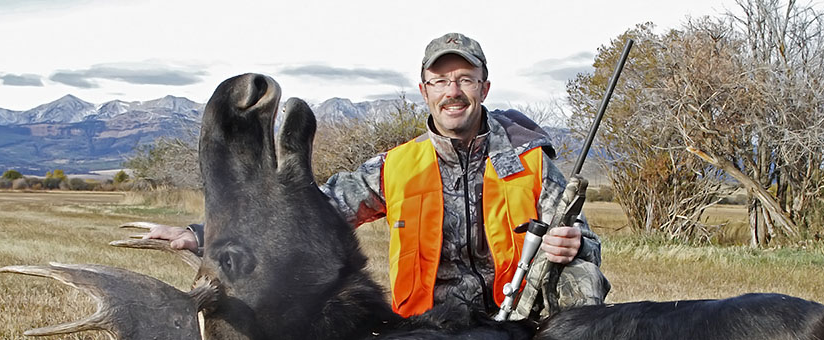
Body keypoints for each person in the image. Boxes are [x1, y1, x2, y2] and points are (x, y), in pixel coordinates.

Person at [147, 32, 610, 318]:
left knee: (582, 280)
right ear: (425, 91)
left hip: (520, 320)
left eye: (465, 79)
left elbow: (586, 241)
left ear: (484, 88)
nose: (454, 91)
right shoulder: (398, 166)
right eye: (441, 81)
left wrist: (570, 244)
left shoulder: (529, 162)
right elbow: (309, 214)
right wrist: (205, 233)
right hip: (432, 327)